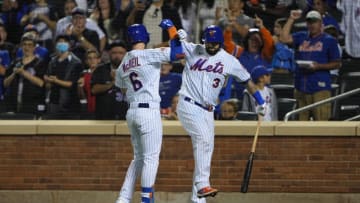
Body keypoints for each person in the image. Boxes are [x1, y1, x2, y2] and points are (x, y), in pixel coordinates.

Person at [159, 20, 266, 203]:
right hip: (188, 104)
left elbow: (247, 81)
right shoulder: (194, 49)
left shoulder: (229, 61)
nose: (211, 46)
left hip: (208, 111)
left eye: (214, 43)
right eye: (208, 43)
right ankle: (202, 185)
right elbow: (175, 52)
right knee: (202, 140)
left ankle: (197, 199)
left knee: (206, 149)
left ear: (221, 43)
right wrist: (173, 32)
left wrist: (261, 102)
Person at [114, 24, 173, 203]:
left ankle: (123, 198)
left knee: (138, 158)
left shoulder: (124, 62)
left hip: (132, 110)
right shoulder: (150, 54)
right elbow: (177, 53)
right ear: (145, 38)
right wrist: (172, 31)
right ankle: (146, 200)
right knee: (150, 158)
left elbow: (121, 87)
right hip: (148, 111)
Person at [280, 10, 341, 120]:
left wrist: (319, 66)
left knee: (321, 124)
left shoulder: (329, 40)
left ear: (320, 23)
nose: (312, 25)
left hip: (320, 87)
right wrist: (291, 19)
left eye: (315, 22)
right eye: (309, 22)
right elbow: (283, 38)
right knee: (301, 127)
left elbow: (337, 64)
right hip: (301, 86)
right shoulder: (301, 36)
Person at [3, 33, 47, 116]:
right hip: (15, 104)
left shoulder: (40, 63)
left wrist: (23, 73)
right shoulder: (15, 62)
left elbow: (41, 83)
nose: (27, 47)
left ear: (34, 47)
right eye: (24, 45)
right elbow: (5, 83)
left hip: (32, 105)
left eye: (30, 45)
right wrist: (14, 74)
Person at [44, 34, 84, 116]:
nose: (61, 44)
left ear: (69, 45)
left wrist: (55, 80)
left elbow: (72, 84)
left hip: (70, 102)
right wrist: (47, 80)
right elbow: (48, 81)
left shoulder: (76, 63)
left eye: (64, 42)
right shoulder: (52, 61)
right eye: (59, 42)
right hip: (54, 101)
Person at [91, 40, 128, 120]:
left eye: (121, 53)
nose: (117, 56)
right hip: (104, 116)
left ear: (126, 55)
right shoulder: (100, 70)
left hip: (126, 116)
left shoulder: (132, 71)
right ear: (109, 54)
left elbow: (134, 92)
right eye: (114, 53)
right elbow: (94, 90)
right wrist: (112, 83)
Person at [77, 49, 101, 118]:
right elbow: (81, 96)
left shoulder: (105, 73)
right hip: (88, 110)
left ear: (99, 60)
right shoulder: (83, 74)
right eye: (89, 58)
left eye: (94, 58)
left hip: (102, 109)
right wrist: (80, 87)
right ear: (86, 61)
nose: (92, 60)